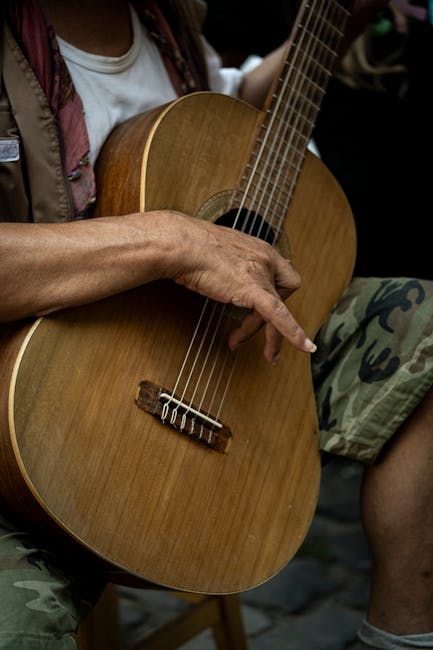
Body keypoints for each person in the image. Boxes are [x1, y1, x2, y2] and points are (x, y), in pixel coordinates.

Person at [1, 1, 433, 649]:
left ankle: (401, 638)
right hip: (27, 425)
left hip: (207, 360)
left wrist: (337, 22)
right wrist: (167, 241)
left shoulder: (161, 18)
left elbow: (218, 114)